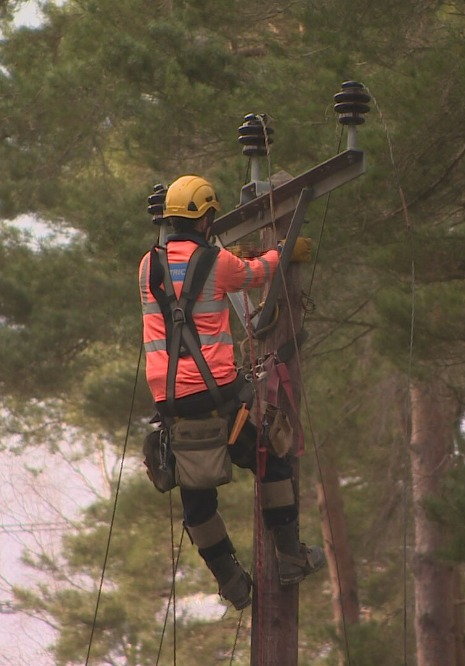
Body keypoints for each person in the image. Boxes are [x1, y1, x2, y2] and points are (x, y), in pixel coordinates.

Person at [138, 174, 326, 610]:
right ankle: (290, 556)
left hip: (173, 407)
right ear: (206, 218)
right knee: (274, 458)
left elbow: (188, 275)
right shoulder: (219, 263)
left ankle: (231, 582)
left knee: (197, 499)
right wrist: (284, 252)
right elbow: (253, 273)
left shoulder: (147, 266)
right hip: (219, 398)